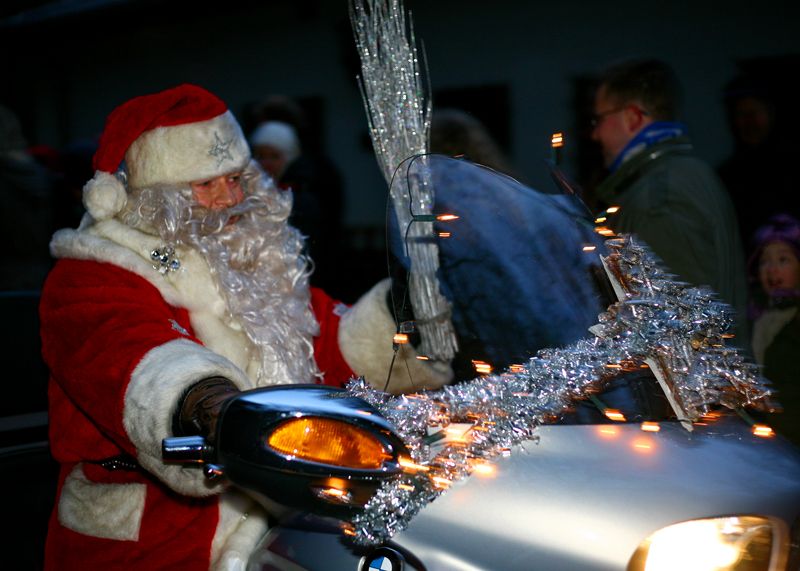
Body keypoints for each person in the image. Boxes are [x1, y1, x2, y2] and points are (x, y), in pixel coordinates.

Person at [38, 84, 450, 570]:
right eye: (205, 184)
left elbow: (331, 342)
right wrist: (213, 407)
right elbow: (138, 358)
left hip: (279, 508)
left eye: (236, 178)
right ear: (150, 197)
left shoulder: (254, 261)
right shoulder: (92, 275)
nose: (230, 199)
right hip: (156, 533)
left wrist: (404, 316)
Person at [590, 58, 749, 343]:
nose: (595, 133)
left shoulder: (659, 197)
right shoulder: (683, 174)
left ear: (633, 117)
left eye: (599, 119)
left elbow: (680, 330)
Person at [748, 214, 800, 444]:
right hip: (761, 439)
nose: (772, 270)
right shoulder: (750, 315)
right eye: (764, 261)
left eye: (783, 260)